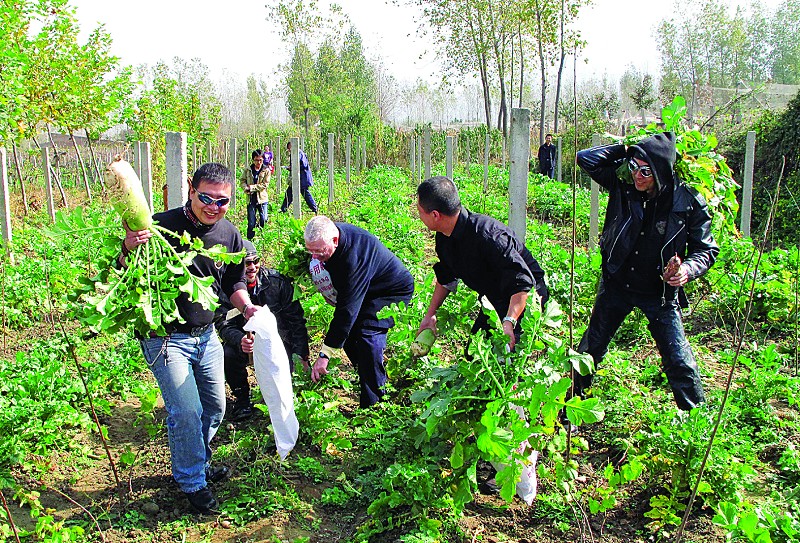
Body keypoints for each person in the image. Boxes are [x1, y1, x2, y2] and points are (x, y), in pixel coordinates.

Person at [123, 163, 260, 514]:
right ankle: (191, 481)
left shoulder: (229, 233)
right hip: (166, 339)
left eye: (222, 201)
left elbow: (232, 283)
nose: (213, 207)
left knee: (215, 407)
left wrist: (246, 308)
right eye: (206, 198)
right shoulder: (159, 226)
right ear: (190, 190)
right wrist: (128, 246)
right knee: (186, 411)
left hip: (207, 335)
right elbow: (124, 272)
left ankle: (197, 461)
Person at [574, 132, 718, 411]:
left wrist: (686, 269)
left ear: (661, 172)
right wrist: (628, 149)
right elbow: (586, 159)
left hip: (660, 293)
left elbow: (707, 249)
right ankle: (570, 408)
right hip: (618, 283)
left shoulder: (688, 202)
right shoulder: (624, 187)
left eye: (646, 171)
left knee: (678, 360)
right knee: (590, 349)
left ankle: (696, 423)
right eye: (634, 167)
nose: (638, 176)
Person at [415, 176, 549, 351]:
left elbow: (523, 283)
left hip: (525, 298)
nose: (418, 216)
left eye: (419, 211)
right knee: (475, 355)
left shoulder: (490, 236)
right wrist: (430, 315)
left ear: (435, 215)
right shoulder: (444, 237)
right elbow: (446, 277)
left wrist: (509, 322)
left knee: (506, 358)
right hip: (494, 297)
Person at [304, 215, 414, 407]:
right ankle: (370, 375)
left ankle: (375, 405)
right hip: (367, 289)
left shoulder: (354, 257)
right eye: (310, 251)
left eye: (319, 251)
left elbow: (346, 311)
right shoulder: (327, 237)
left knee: (367, 336)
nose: (315, 257)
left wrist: (324, 355)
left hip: (390, 291)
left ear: (335, 241)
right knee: (349, 337)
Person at [215, 240, 310, 421]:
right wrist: (240, 339)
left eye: (255, 261)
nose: (252, 267)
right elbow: (223, 323)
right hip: (247, 345)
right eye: (246, 263)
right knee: (227, 353)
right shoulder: (226, 289)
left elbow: (296, 321)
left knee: (290, 384)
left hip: (279, 343)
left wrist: (302, 356)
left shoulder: (277, 282)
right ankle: (242, 399)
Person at [281, 140, 318, 214]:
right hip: (298, 178)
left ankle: (314, 208)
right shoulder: (296, 153)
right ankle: (283, 209)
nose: (289, 150)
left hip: (302, 178)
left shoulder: (299, 153)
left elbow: (303, 165)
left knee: (304, 193)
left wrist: (293, 168)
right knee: (290, 192)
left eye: (289, 148)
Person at [241, 150, 270, 240]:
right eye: (256, 160)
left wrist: (252, 188)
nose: (259, 162)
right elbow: (242, 181)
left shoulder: (266, 170)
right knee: (251, 223)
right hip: (251, 199)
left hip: (262, 199)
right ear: (253, 160)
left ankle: (262, 237)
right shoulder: (248, 170)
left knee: (264, 219)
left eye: (260, 160)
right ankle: (250, 240)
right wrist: (245, 188)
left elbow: (265, 184)